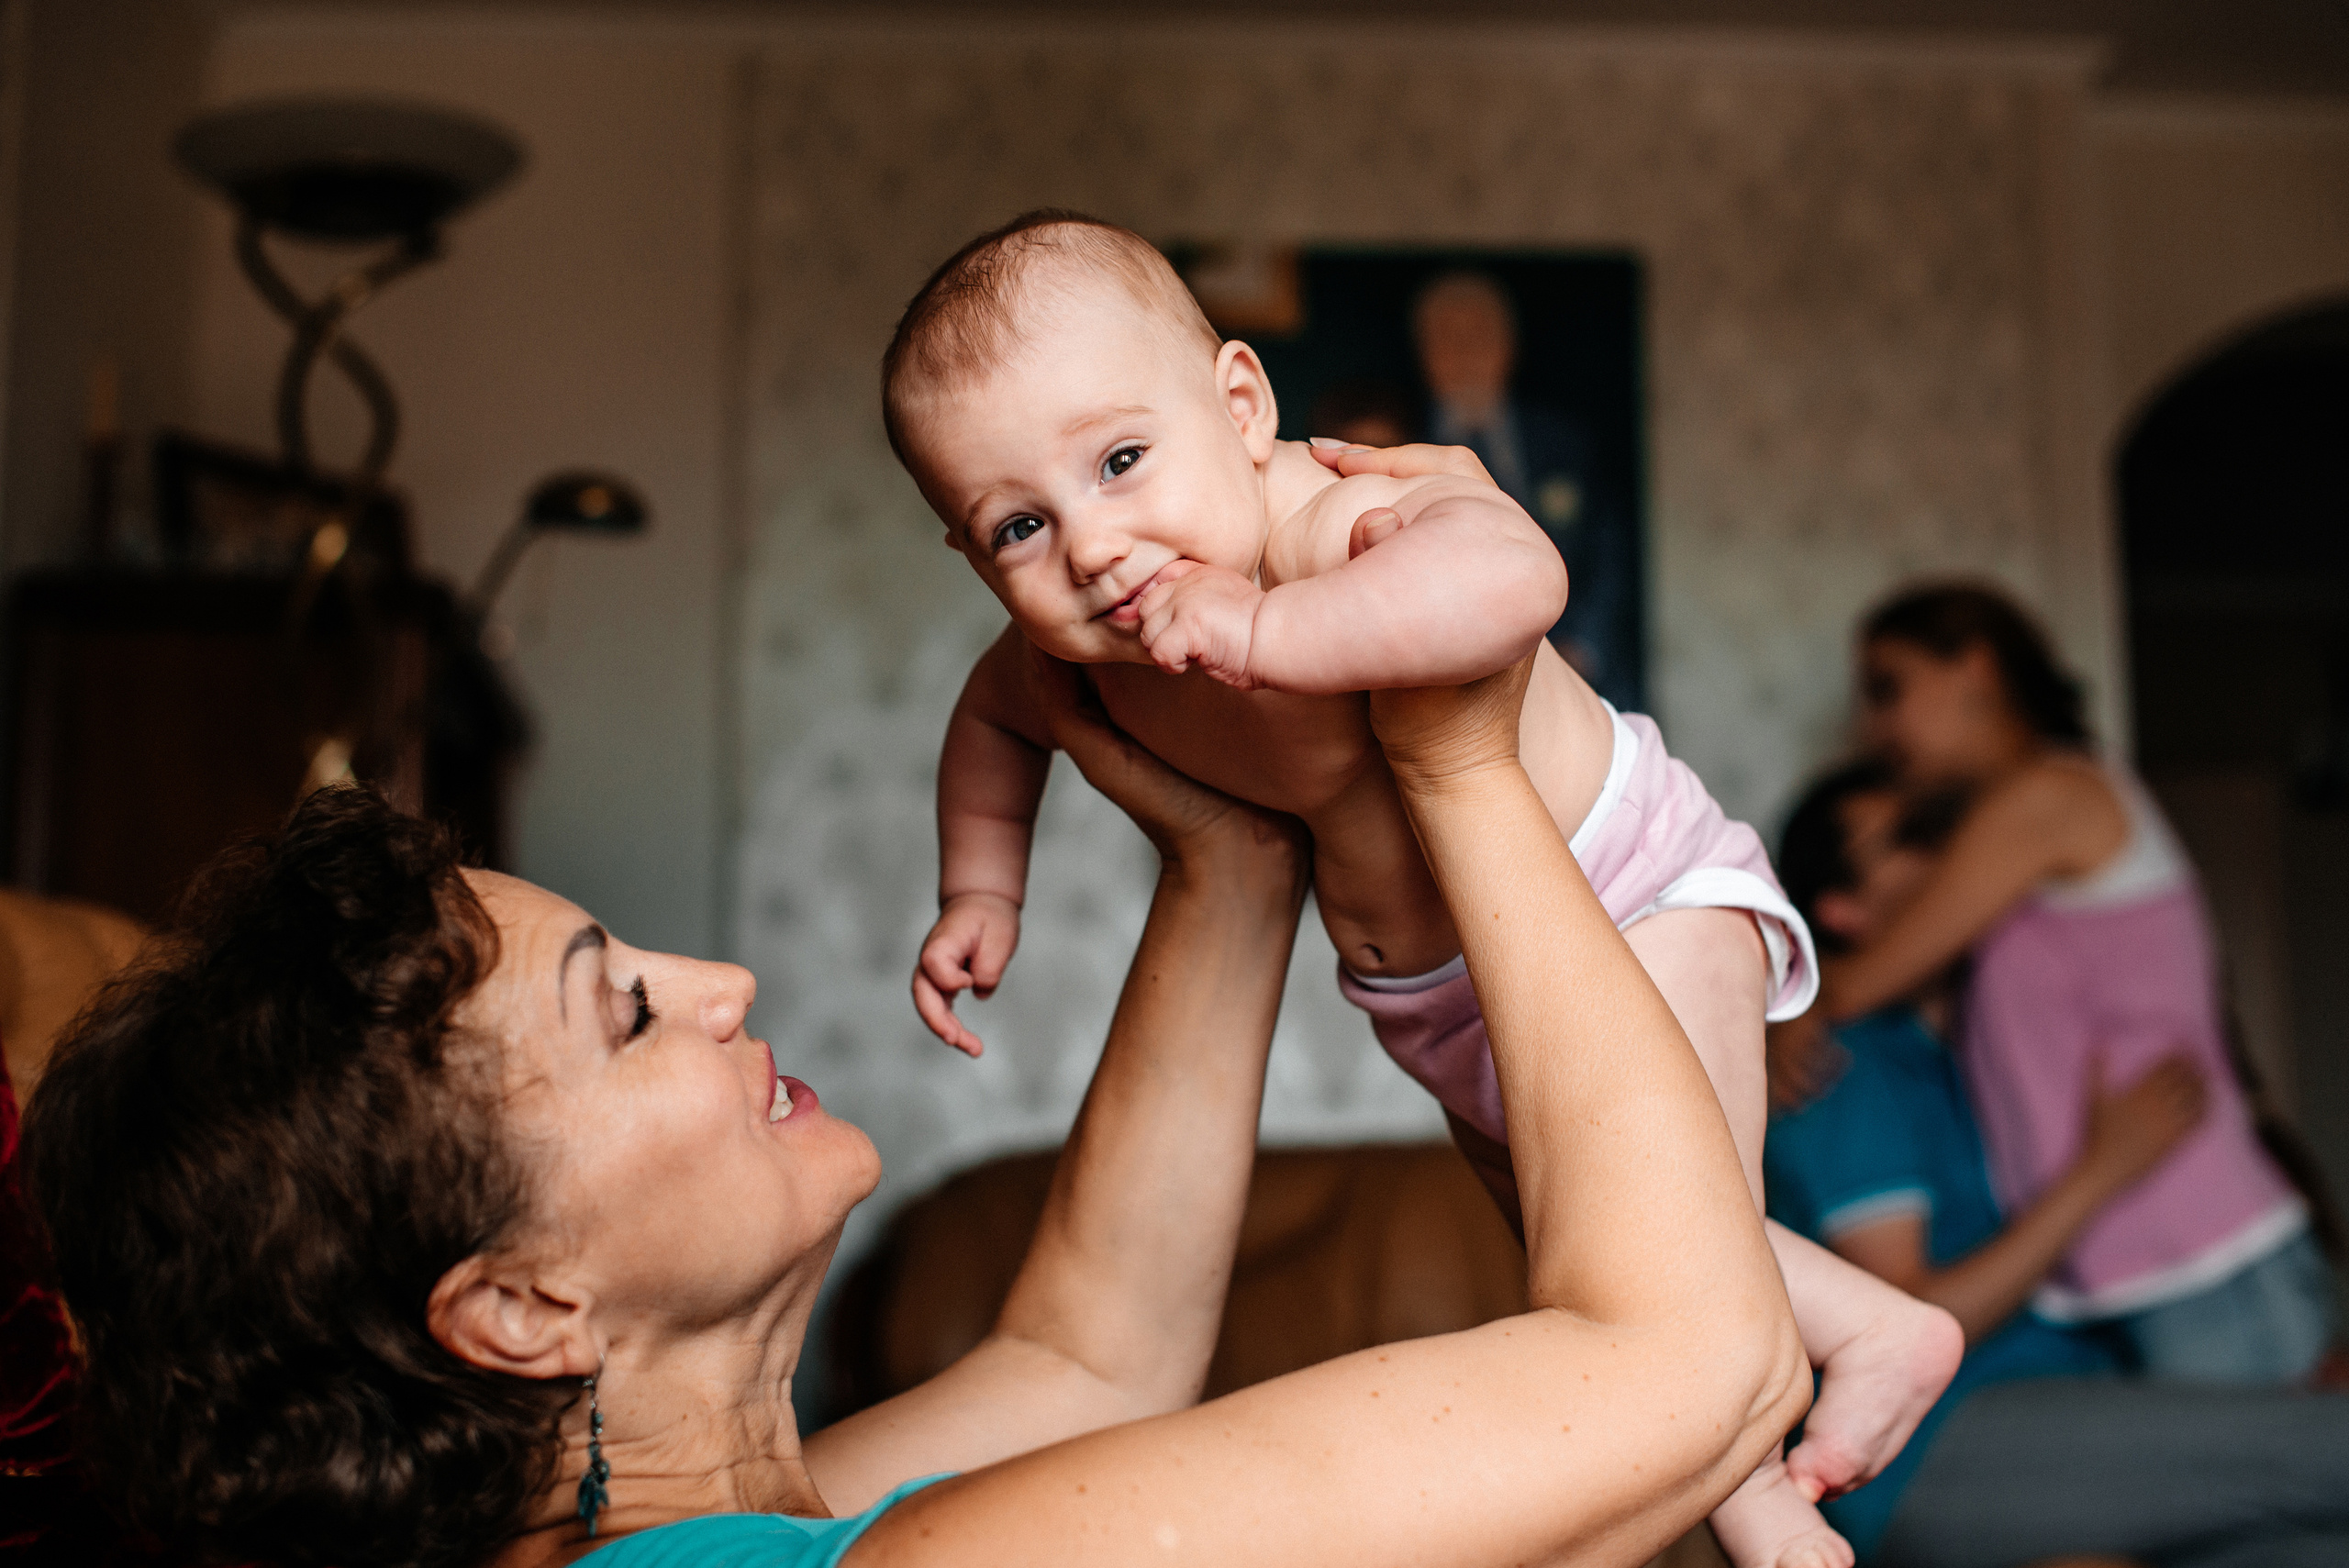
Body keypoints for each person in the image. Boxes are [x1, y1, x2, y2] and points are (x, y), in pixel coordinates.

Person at [18, 653, 1807, 1568]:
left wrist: (1229, 839)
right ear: (517, 1299)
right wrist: (1450, 739)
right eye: (628, 1008)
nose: (720, 981)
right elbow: (1687, 1349)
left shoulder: (681, 1526)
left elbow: (1088, 1356)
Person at [886, 209, 1959, 1568]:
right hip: (1438, 999)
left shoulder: (1327, 521)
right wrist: (982, 890)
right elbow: (991, 730)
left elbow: (1515, 579)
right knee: (1584, 1231)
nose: (1093, 545)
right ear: (973, 557)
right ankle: (1861, 1335)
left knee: (1672, 1248)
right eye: (1019, 526)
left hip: (1632, 894)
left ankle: (1769, 1495)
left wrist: (1273, 629)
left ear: (1239, 403)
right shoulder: (1067, 657)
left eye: (1120, 460)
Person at [1765, 760, 2349, 1568]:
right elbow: (1909, 1320)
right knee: (2328, 1449)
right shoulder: (1849, 1069)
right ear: (1843, 909)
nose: (1961, 853)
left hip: (2055, 1405)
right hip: (1931, 1442)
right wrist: (2102, 1172)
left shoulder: (1973, 1042)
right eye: (1915, 840)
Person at [1773, 583, 2332, 1382]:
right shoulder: (2019, 837)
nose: (1877, 728)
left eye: (1888, 689)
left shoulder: (2050, 797)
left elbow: (1864, 981)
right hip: (2144, 1255)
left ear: (1976, 667)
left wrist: (1792, 1008)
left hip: (2202, 1246)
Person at [1411, 271, 1641, 708]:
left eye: (1479, 335)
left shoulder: (1565, 443)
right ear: (1424, 352)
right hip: (1441, 678)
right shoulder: (1399, 437)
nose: (1465, 353)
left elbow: (1609, 556)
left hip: (1575, 667)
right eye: (1447, 338)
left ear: (1509, 346)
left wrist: (1582, 647)